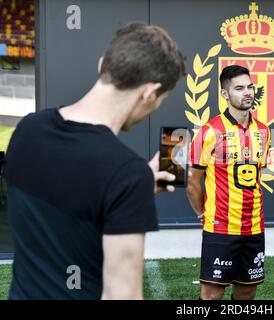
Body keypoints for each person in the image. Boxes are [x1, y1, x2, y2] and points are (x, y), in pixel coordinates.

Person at [4, 22, 185, 299]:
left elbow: (67, 203)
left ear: (103, 65)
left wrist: (134, 190)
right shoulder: (125, 175)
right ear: (149, 93)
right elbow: (121, 295)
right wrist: (131, 187)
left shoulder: (28, 130)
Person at [187, 65, 270, 300]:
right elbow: (193, 181)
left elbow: (256, 178)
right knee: (212, 294)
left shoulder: (263, 131)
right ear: (225, 94)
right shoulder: (209, 131)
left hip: (254, 226)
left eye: (250, 87)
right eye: (239, 88)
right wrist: (201, 213)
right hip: (220, 227)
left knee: (247, 291)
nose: (248, 93)